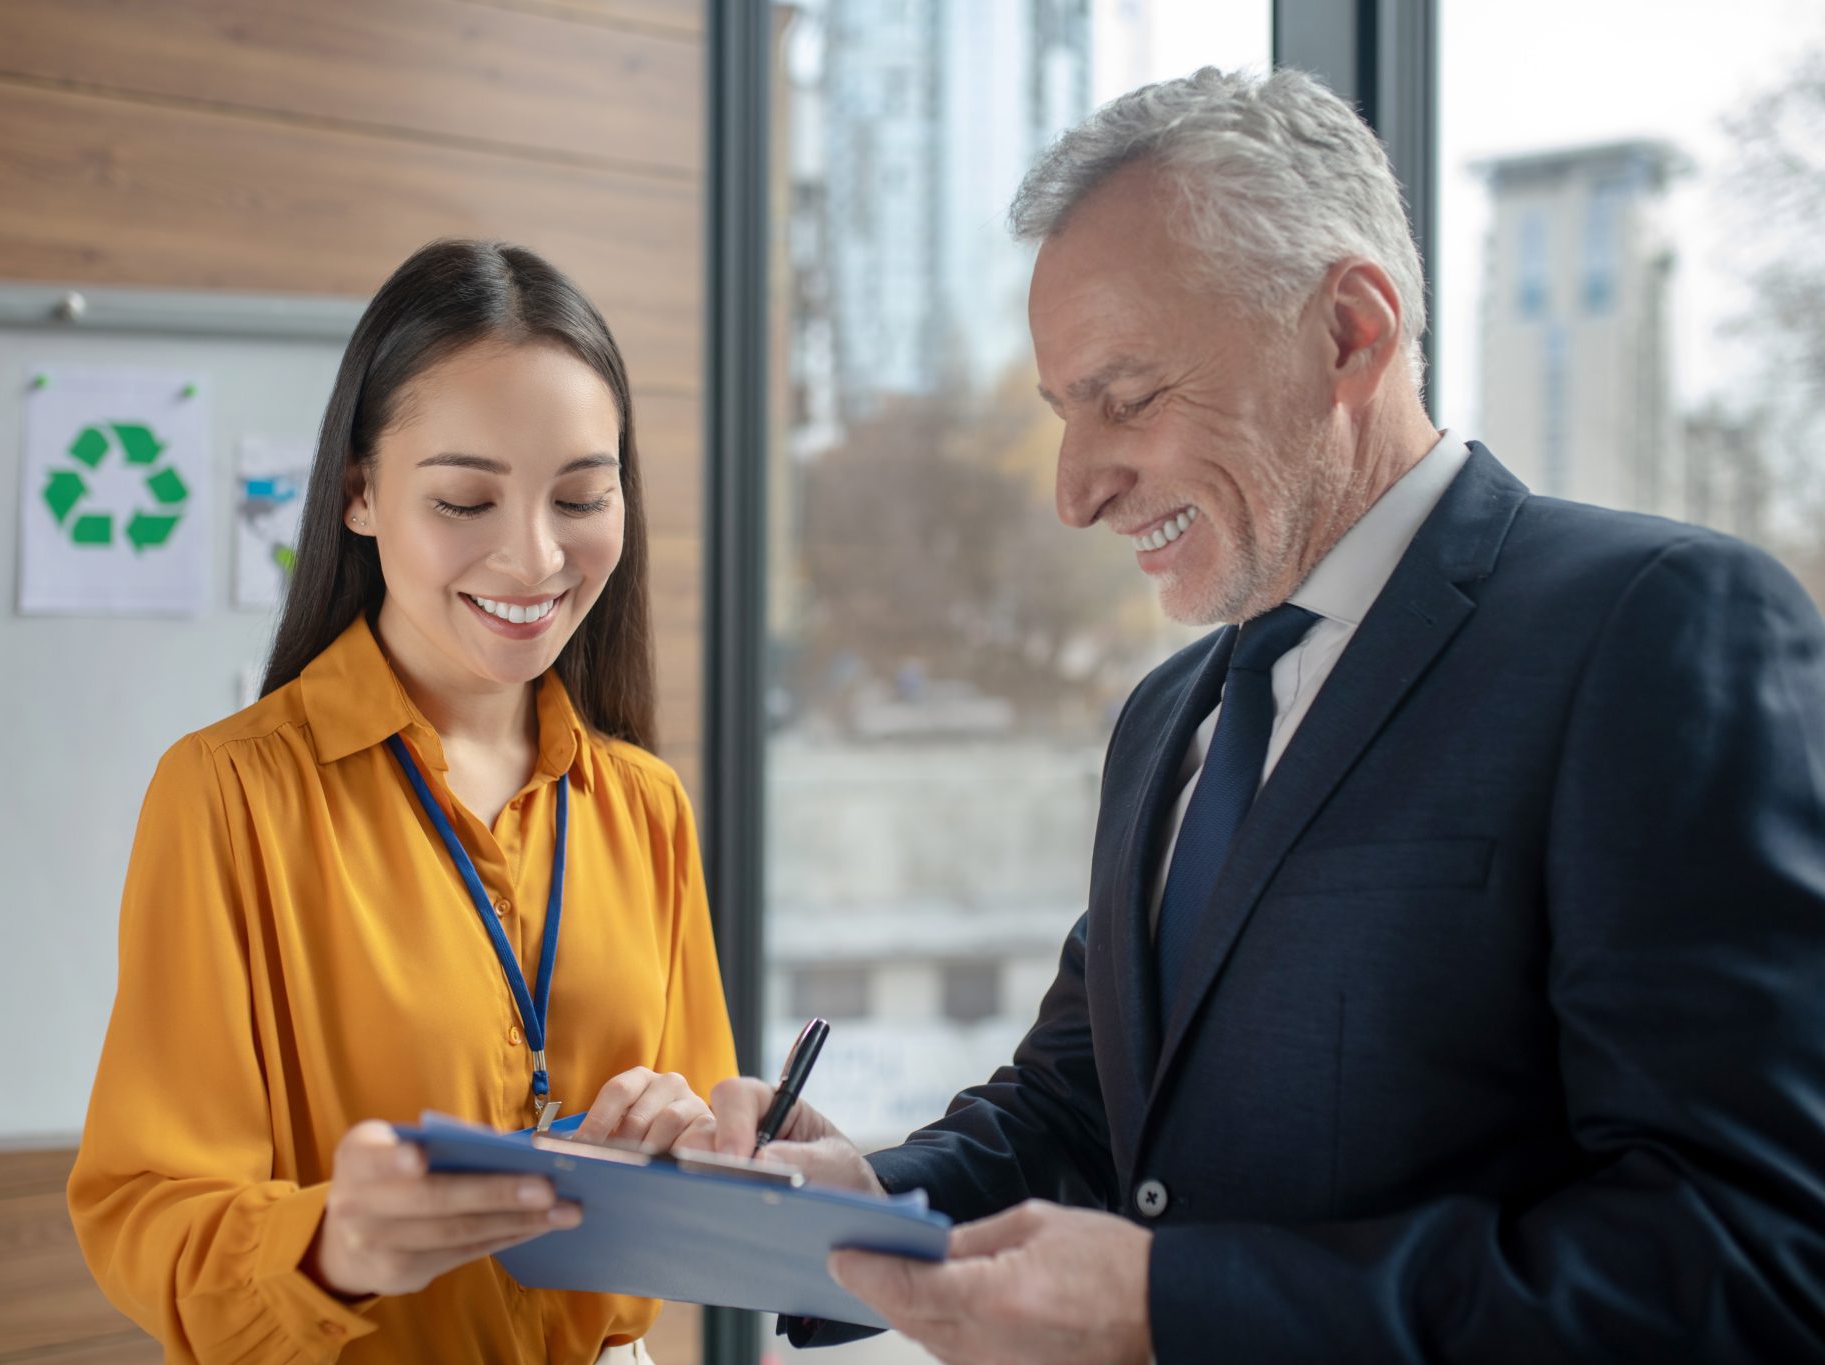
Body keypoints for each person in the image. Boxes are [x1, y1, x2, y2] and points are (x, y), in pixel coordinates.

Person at [698, 67, 1825, 1363]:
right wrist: (865, 1204)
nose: (1076, 491)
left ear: (1350, 331)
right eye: (1066, 416)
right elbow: (1077, 1113)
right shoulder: (1166, 716)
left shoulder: (1654, 628)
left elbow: (1755, 1262)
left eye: (1127, 399)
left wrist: (1171, 1306)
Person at [69, 240, 735, 1364]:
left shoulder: (645, 806)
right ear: (359, 495)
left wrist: (688, 1159)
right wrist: (331, 1243)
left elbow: (715, 1193)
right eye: (466, 500)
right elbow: (142, 1210)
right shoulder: (231, 795)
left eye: (581, 496)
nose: (532, 558)